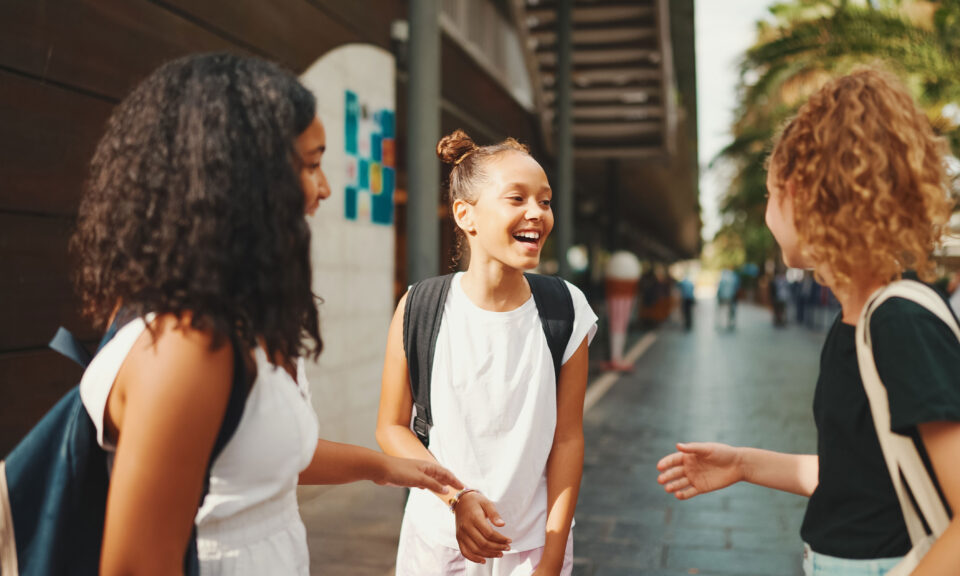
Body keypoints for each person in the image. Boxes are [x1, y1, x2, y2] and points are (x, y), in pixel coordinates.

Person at [71, 53, 461, 576]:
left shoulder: (229, 317)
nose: (323, 188)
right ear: (238, 177)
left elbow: (260, 455)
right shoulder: (188, 346)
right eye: (310, 164)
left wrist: (386, 467)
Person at [656, 69, 960, 575]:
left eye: (769, 194)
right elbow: (864, 479)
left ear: (803, 195)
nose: (767, 213)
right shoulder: (861, 318)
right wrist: (742, 464)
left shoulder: (899, 322)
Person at [376, 129, 598, 576]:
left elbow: (568, 439)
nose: (537, 213)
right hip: (438, 544)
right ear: (465, 215)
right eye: (517, 199)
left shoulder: (566, 308)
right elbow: (391, 427)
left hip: (531, 548)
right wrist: (456, 498)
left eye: (546, 201)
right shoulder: (420, 306)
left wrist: (552, 556)